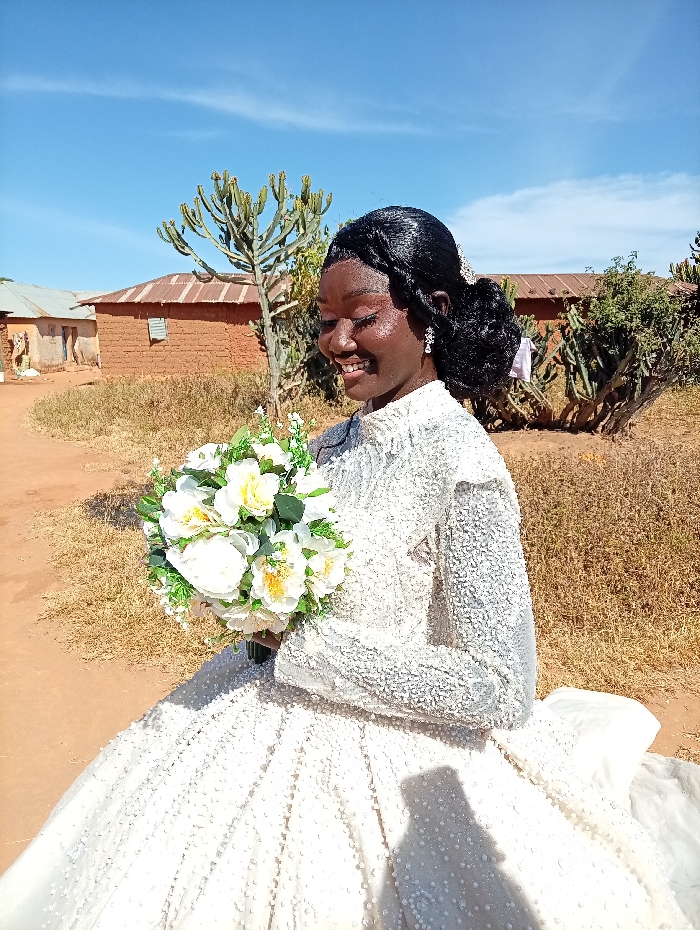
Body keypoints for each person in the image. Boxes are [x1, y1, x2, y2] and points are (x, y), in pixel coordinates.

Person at [1, 207, 698, 930]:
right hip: (262, 712)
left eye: (363, 317)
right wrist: (240, 586)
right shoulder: (333, 444)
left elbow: (499, 687)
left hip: (396, 752)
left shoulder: (462, 464)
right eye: (326, 321)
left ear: (434, 311)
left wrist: (304, 648)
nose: (336, 341)